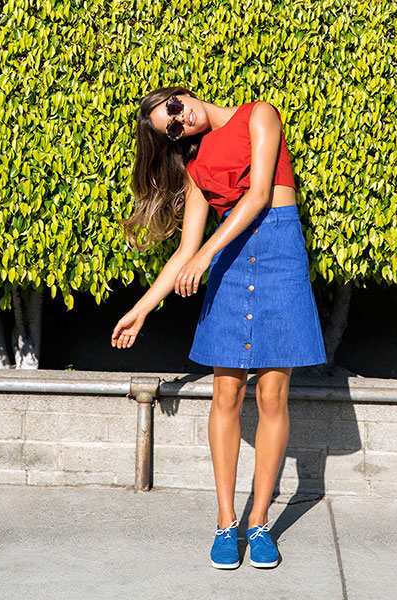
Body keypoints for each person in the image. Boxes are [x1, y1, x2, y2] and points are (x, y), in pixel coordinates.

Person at [111, 87, 327, 570]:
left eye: (173, 109)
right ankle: (226, 521)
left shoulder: (259, 115)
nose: (179, 121)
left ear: (182, 94)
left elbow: (259, 196)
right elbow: (185, 251)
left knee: (272, 395)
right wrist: (142, 309)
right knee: (226, 393)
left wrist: (207, 256)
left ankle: (260, 522)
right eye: (170, 129)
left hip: (279, 256)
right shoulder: (197, 166)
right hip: (231, 263)